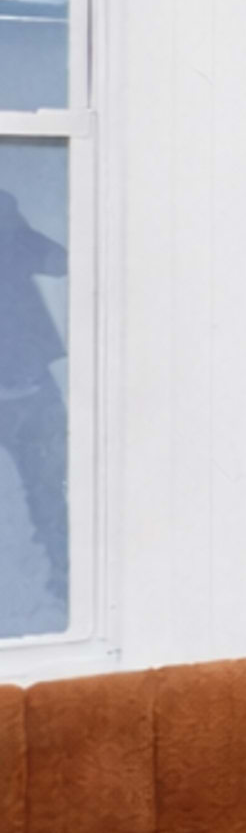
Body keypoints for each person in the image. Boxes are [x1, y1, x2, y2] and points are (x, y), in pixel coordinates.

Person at [0, 185, 64, 621]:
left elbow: (59, 261)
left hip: (31, 389)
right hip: (28, 390)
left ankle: (63, 586)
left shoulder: (6, 219)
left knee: (49, 495)